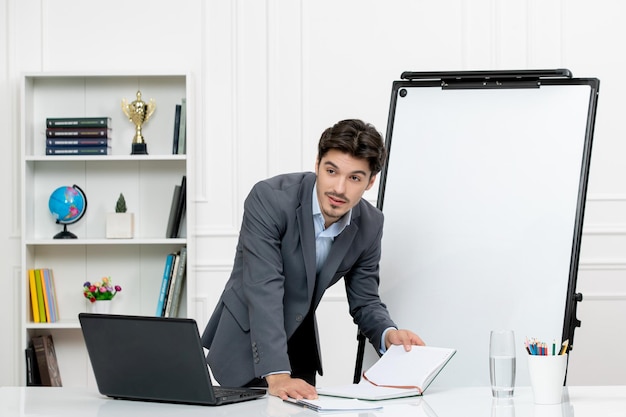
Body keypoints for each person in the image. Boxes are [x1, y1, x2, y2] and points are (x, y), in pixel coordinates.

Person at [201, 119, 424, 400]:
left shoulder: (370, 224)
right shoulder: (269, 198)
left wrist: (388, 333)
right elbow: (263, 287)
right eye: (332, 171)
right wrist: (278, 373)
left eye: (354, 178)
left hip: (299, 346)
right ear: (317, 164)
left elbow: (365, 300)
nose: (339, 188)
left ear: (370, 182)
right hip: (246, 339)